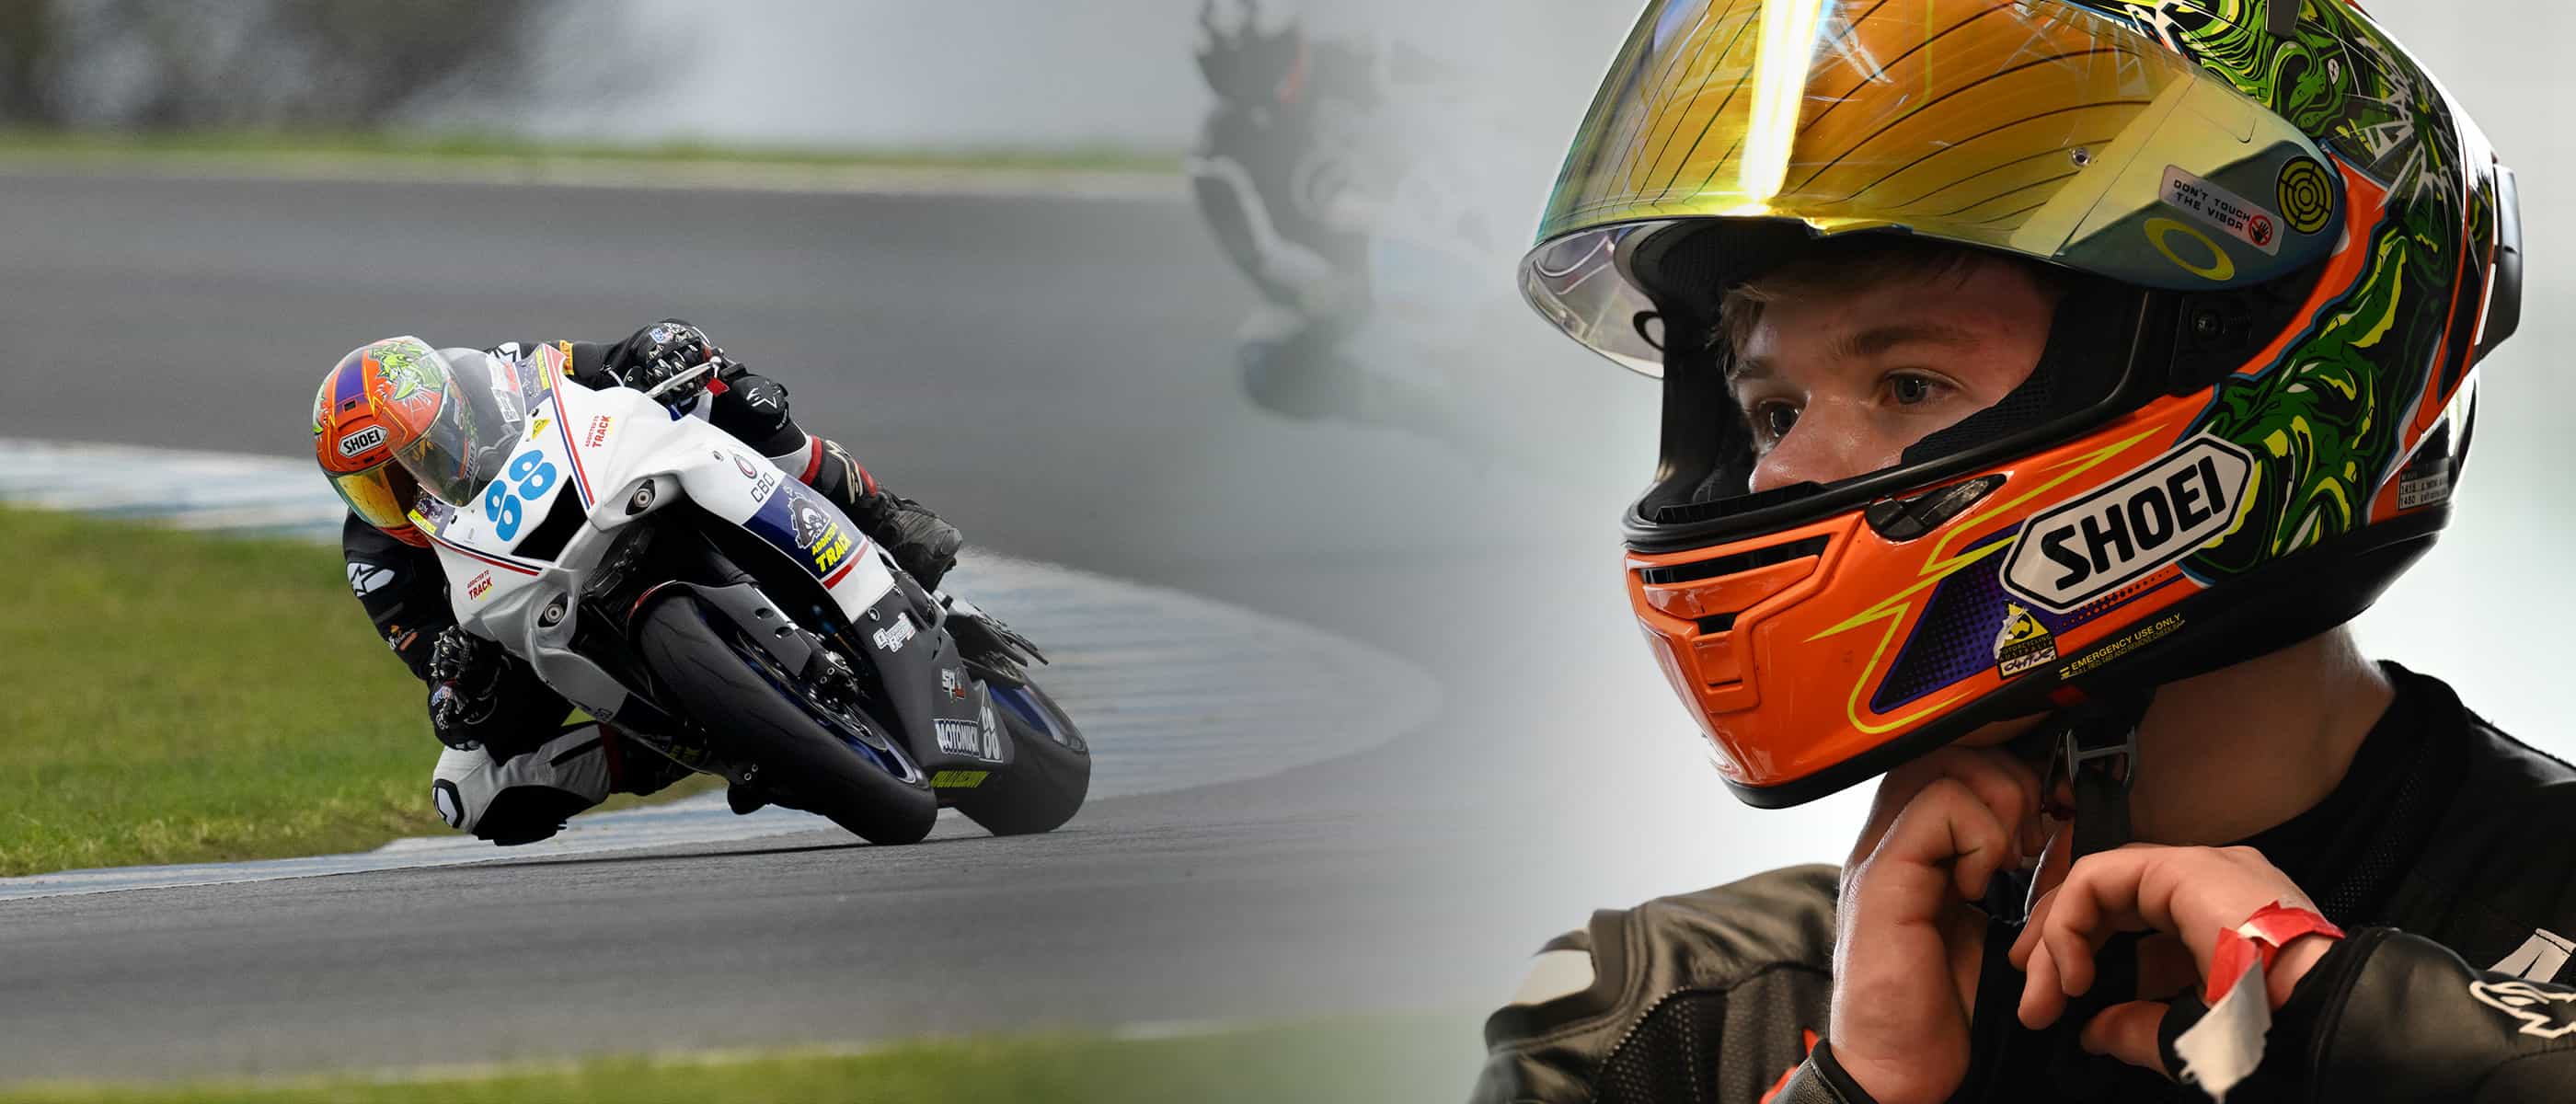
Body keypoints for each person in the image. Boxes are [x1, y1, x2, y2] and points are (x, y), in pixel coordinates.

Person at [1476, 1, 2575, 1100]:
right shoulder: (1660, 1018)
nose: (1772, 475)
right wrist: (1854, 1089)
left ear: (2238, 349)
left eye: (1908, 385)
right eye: (1769, 411)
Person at [312, 321, 963, 845]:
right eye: (375, 487)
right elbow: (435, 670)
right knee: (466, 792)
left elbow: (608, 359)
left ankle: (883, 514)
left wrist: (657, 346)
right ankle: (698, 738)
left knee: (728, 392)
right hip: (537, 614)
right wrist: (454, 681)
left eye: (411, 459)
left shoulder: (504, 375)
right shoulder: (378, 554)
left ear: (448, 412)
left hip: (615, 489)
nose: (401, 492)